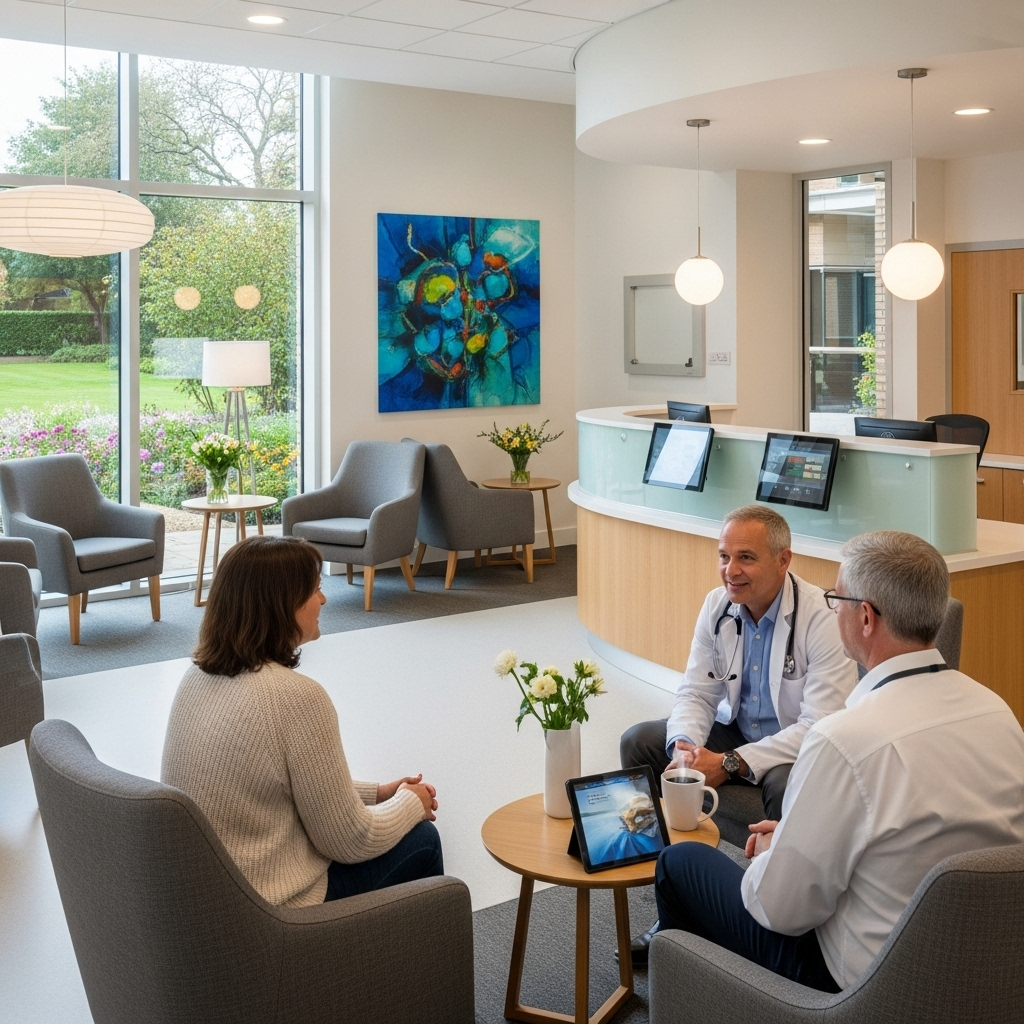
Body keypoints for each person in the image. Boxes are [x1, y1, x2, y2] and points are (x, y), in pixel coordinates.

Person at [654, 530, 1024, 991]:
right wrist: (794, 836)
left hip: (860, 983)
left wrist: (775, 854)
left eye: (837, 598)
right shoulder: (998, 712)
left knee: (681, 862)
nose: (831, 608)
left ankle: (698, 987)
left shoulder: (844, 740)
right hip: (987, 963)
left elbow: (780, 910)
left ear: (865, 617)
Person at [620, 504, 857, 964]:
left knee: (788, 782)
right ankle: (674, 900)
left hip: (791, 748)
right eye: (724, 556)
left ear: (784, 560)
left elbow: (818, 728)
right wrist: (685, 747)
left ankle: (772, 922)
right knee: (640, 741)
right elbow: (696, 691)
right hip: (739, 730)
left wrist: (730, 764)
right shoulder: (718, 605)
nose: (731, 570)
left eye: (746, 557)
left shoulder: (821, 619)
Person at [161, 534, 442, 907]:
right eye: (315, 589)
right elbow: (350, 841)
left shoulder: (197, 677)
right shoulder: (296, 698)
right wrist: (410, 802)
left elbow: (270, 780)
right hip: (270, 912)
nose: (323, 600)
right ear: (282, 604)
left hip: (210, 898)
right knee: (423, 840)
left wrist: (378, 794)